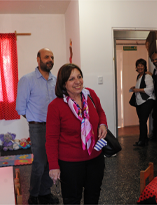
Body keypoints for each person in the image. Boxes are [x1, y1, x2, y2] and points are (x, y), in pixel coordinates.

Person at [46, 64, 108, 204]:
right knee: (72, 199)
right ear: (63, 83)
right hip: (70, 164)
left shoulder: (90, 95)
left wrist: (103, 124)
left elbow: (100, 111)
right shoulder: (55, 106)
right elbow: (51, 139)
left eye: (79, 77)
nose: (77, 81)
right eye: (72, 78)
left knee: (93, 196)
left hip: (95, 157)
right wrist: (54, 166)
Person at [16, 48, 59, 204]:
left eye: (52, 57)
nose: (50, 60)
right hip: (38, 127)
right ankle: (33, 195)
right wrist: (34, 120)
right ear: (38, 59)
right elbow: (20, 107)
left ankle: (45, 192)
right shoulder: (27, 80)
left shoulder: (56, 81)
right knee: (40, 162)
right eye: (47, 57)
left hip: (55, 128)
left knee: (51, 161)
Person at [131, 59, 155, 147]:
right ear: (136, 67)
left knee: (142, 121)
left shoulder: (147, 76)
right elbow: (142, 86)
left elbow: (150, 89)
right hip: (140, 102)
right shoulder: (139, 76)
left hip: (147, 101)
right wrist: (135, 87)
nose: (140, 67)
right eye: (138, 65)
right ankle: (144, 140)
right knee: (142, 121)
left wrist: (137, 90)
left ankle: (142, 141)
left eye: (141, 65)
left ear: (145, 67)